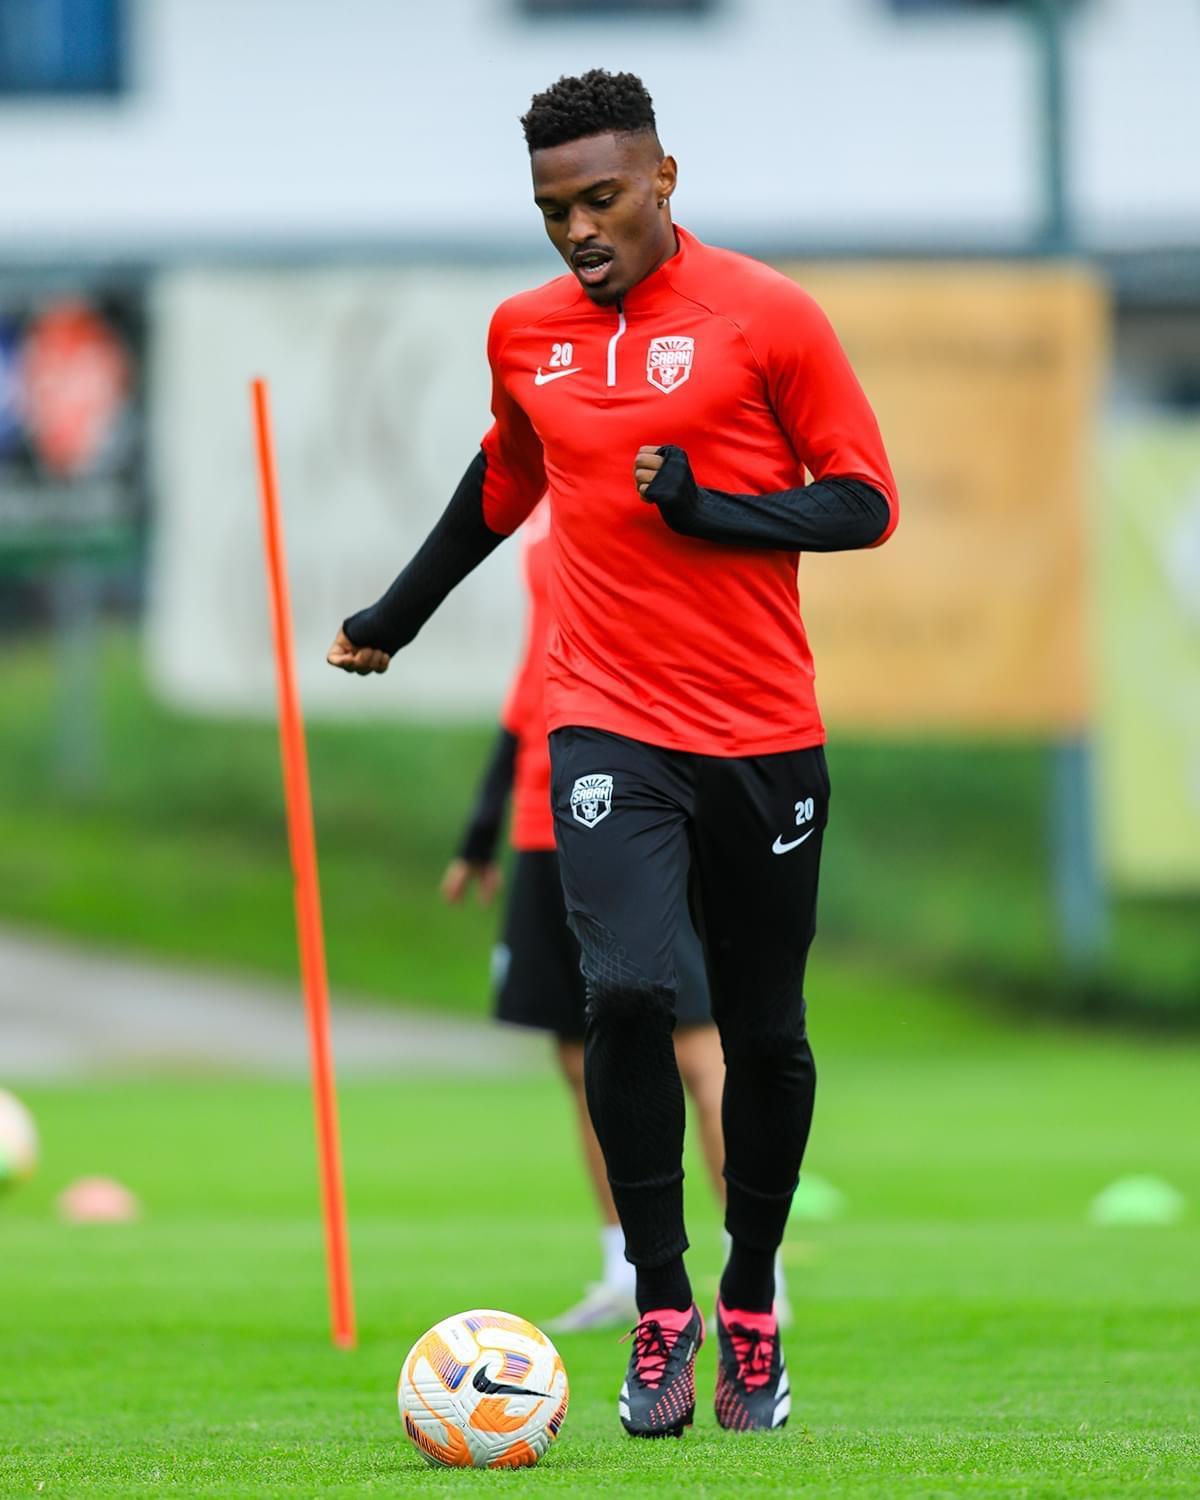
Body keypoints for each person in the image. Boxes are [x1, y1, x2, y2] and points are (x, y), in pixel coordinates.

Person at [328, 69, 897, 1438]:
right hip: (605, 719)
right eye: (553, 209)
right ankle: (659, 1304)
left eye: (600, 198)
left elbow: (865, 502)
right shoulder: (525, 332)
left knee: (764, 1034)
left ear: (663, 180)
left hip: (761, 733)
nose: (578, 229)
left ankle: (749, 1300)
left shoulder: (767, 316)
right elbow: (505, 477)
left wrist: (718, 511)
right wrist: (394, 616)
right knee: (628, 991)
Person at [441, 496, 741, 1334]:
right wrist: (484, 819)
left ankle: (753, 1273)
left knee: (697, 1046)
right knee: (581, 1058)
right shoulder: (539, 513)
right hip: (546, 809)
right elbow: (531, 672)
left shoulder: (655, 484)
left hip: (642, 803)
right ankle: (626, 1271)